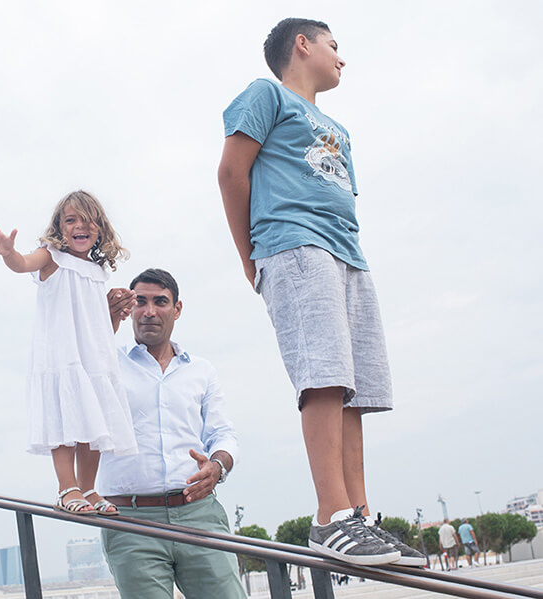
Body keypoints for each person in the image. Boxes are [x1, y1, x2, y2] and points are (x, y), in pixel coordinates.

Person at [217, 18, 424, 567]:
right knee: (324, 374)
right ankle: (329, 516)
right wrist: (251, 257)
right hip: (293, 245)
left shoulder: (339, 127)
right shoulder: (266, 94)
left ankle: (358, 515)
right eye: (335, 45)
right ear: (303, 45)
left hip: (348, 256)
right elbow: (231, 174)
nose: (342, 58)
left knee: (354, 388)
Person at [0, 191, 136, 515]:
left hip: (93, 357)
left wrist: (115, 311)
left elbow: (94, 323)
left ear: (99, 228)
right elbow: (22, 264)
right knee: (65, 422)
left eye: (87, 219)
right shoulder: (50, 256)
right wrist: (8, 253)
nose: (80, 225)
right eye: (70, 219)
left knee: (95, 424)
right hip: (61, 355)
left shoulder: (98, 271)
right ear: (59, 228)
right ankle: (67, 489)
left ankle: (89, 488)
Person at [98, 268, 246, 599]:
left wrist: (218, 466)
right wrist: (104, 322)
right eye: (141, 302)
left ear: (177, 309)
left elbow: (223, 434)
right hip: (131, 522)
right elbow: (80, 380)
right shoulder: (105, 363)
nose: (149, 311)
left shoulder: (201, 371)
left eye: (160, 302)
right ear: (129, 309)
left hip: (199, 514)